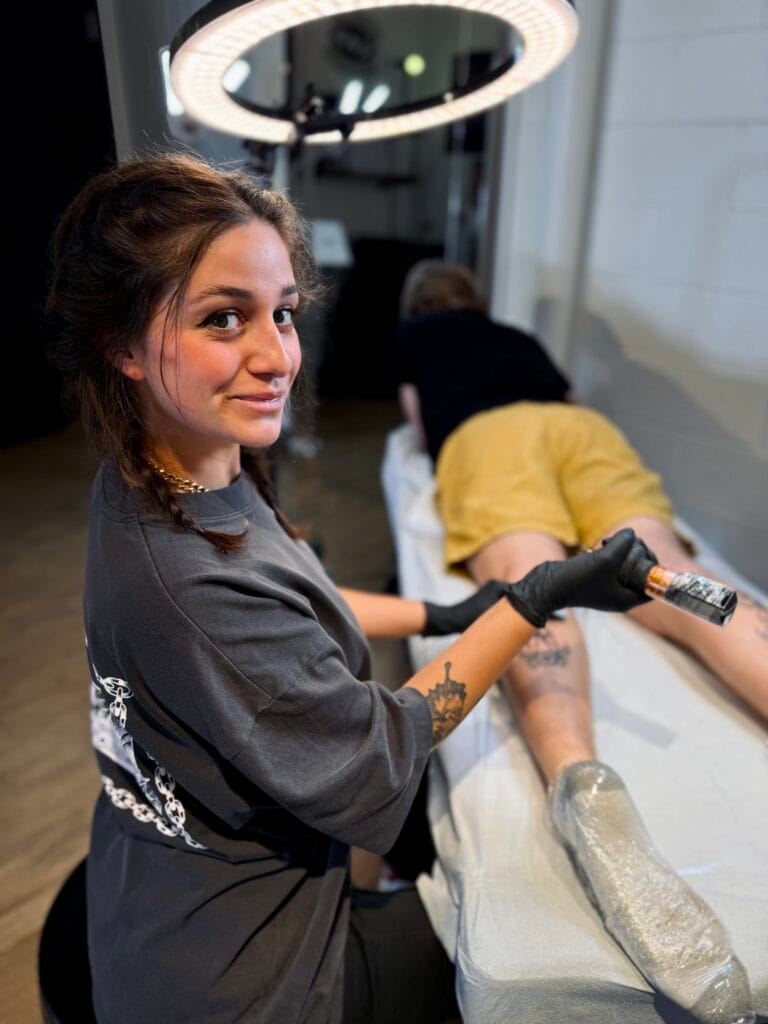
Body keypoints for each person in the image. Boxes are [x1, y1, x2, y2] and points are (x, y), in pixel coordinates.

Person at [44, 153, 659, 1024]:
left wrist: (446, 612)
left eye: (283, 313)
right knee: (546, 957)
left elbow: (289, 592)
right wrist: (533, 599)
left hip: (163, 898)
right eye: (224, 320)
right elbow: (381, 756)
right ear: (122, 345)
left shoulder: (160, 474)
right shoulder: (190, 583)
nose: (276, 357)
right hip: (244, 990)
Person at [395, 260, 764, 1024]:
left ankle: (587, 796)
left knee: (535, 586)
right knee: (665, 573)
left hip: (486, 436)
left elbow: (419, 425)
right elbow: (564, 398)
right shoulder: (514, 336)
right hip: (583, 431)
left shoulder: (416, 338)